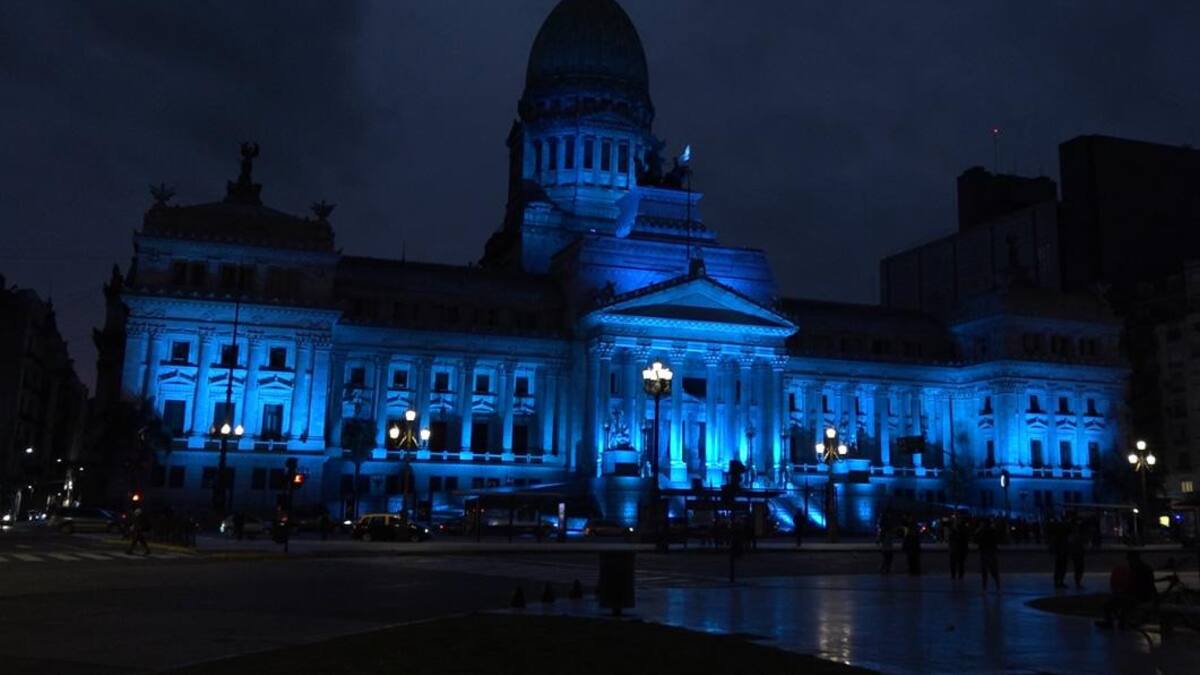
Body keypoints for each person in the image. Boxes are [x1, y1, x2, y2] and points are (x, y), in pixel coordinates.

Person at [1096, 551, 1156, 629]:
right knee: (1113, 603)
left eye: (1130, 560)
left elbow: (1144, 586)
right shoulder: (1136, 568)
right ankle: (1115, 622)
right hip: (1136, 595)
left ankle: (1117, 622)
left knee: (1122, 603)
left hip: (1140, 596)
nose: (1129, 562)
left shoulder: (1143, 569)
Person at [976, 518, 1000, 591]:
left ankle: (985, 587)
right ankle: (997, 586)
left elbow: (977, 539)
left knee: (986, 571)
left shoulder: (984, 531)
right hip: (990, 552)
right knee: (992, 571)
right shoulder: (992, 531)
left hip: (986, 552)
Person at [1049, 517, 1069, 589]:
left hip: (1061, 553)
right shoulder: (1061, 538)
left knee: (1060, 567)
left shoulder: (1059, 537)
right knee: (1061, 567)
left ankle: (1059, 582)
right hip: (1061, 553)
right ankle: (1059, 582)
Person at [1068, 517, 1087, 589]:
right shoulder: (1075, 534)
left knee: (1079, 568)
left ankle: (1078, 582)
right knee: (1079, 568)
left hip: (1078, 552)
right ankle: (1078, 582)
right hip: (1077, 552)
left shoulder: (1075, 533)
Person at [948, 517, 970, 581]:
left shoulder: (955, 529)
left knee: (955, 563)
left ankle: (955, 575)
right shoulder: (964, 529)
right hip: (959, 548)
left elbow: (951, 538)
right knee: (960, 563)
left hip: (956, 548)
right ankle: (959, 575)